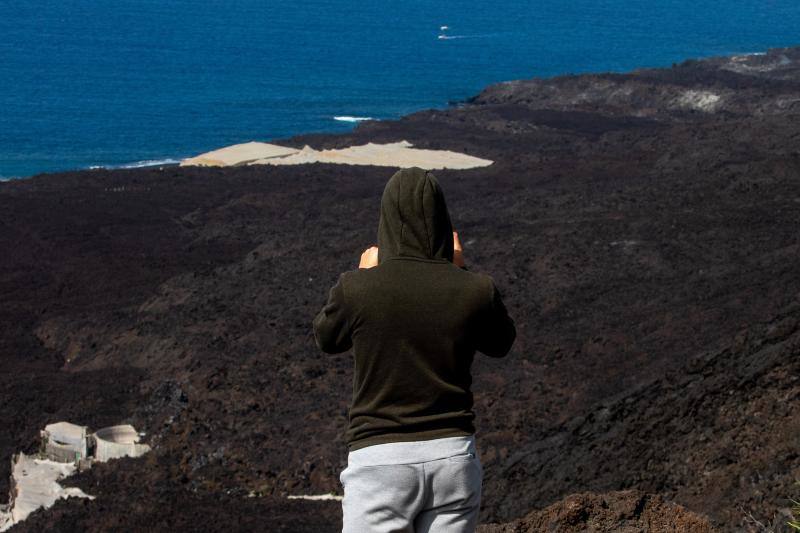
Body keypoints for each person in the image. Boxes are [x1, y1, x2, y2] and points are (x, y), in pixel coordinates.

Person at [312, 167, 516, 533]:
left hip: (381, 460)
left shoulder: (357, 289)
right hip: (453, 457)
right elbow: (501, 343)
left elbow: (327, 339)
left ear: (386, 220)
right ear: (442, 220)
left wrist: (361, 274)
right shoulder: (476, 289)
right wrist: (461, 268)